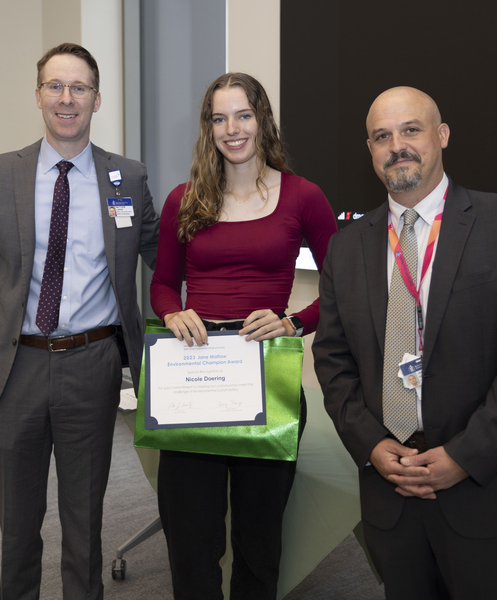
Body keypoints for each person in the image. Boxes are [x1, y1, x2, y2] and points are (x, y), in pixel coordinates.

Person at [313, 86, 497, 600]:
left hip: (484, 490)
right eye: (382, 136)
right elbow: (333, 362)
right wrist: (372, 446)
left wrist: (464, 456)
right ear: (370, 150)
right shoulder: (346, 247)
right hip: (391, 487)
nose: (396, 145)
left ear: (442, 136)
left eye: (411, 130)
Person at [0, 43, 159, 600]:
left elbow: (164, 258)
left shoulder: (128, 178)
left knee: (84, 522)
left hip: (92, 365)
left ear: (97, 99)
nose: (67, 99)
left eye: (79, 88)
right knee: (17, 526)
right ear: (39, 94)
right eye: (55, 86)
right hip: (14, 366)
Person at [150, 72, 337, 599]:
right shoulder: (183, 199)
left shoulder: (304, 197)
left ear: (263, 120)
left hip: (266, 384)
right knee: (191, 544)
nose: (232, 129)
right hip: (195, 381)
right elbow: (163, 284)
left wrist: (294, 322)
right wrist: (171, 314)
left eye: (243, 115)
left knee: (258, 547)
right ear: (208, 128)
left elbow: (344, 286)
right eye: (219, 118)